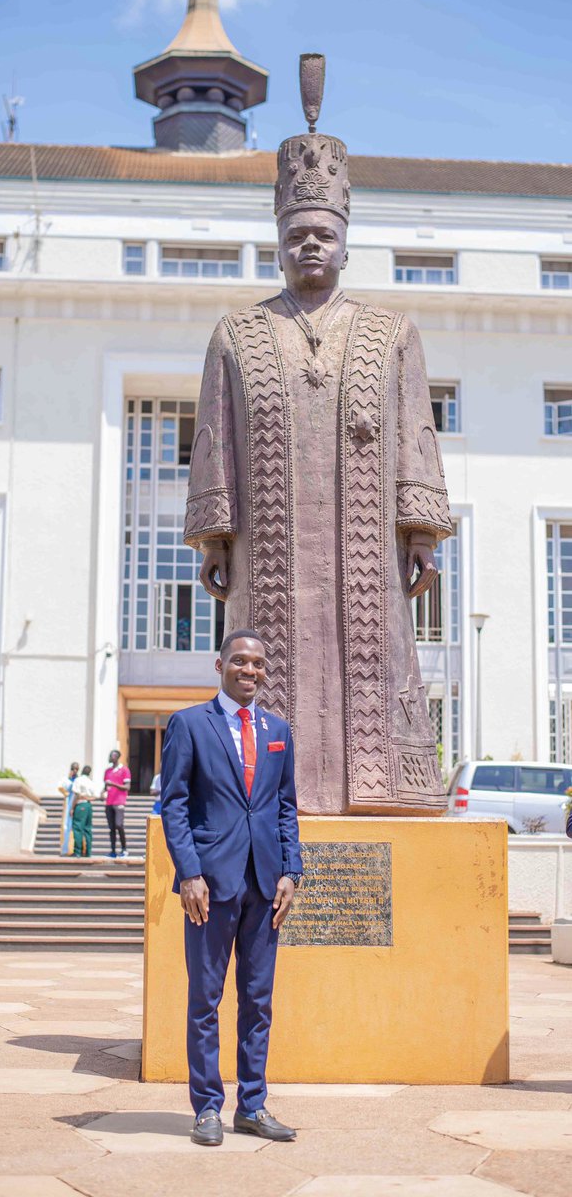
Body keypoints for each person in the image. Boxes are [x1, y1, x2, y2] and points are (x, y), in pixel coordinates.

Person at [184, 54, 451, 817]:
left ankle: (381, 790)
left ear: (344, 242)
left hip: (364, 551)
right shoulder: (238, 334)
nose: (310, 245)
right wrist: (213, 540)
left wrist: (421, 530)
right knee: (269, 672)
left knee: (373, 663)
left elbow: (416, 433)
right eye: (296, 232)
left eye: (322, 234)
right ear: (279, 238)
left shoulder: (390, 331)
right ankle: (266, 798)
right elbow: (215, 443)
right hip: (269, 553)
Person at [161, 630, 303, 1147]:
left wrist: (292, 871)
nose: (250, 671)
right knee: (205, 999)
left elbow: (285, 807)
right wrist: (189, 873)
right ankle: (206, 1108)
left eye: (259, 664)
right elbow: (173, 805)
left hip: (265, 885)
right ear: (219, 665)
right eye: (240, 661)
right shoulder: (189, 724)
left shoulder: (278, 729)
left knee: (257, 1001)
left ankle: (253, 1105)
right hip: (210, 886)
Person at [102, 749, 131, 858]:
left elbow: (127, 787)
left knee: (119, 825)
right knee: (111, 827)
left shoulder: (124, 770)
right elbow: (106, 786)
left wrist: (113, 784)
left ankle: (124, 849)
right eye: (110, 755)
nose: (110, 757)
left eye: (112, 755)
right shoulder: (107, 771)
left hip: (119, 801)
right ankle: (113, 850)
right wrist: (102, 792)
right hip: (109, 802)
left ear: (117, 757)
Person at [71, 765, 97, 857]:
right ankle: (88, 852)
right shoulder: (90, 782)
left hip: (80, 804)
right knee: (88, 829)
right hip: (88, 805)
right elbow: (95, 796)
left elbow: (76, 795)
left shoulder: (78, 780)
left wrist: (72, 808)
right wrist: (87, 797)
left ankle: (78, 851)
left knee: (78, 828)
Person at [58, 761, 79, 856]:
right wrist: (67, 792)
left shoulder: (79, 780)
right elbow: (61, 788)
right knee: (66, 826)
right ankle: (65, 849)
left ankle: (76, 849)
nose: (75, 771)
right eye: (73, 768)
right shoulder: (66, 779)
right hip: (68, 803)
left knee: (75, 827)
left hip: (76, 804)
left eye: (77, 769)